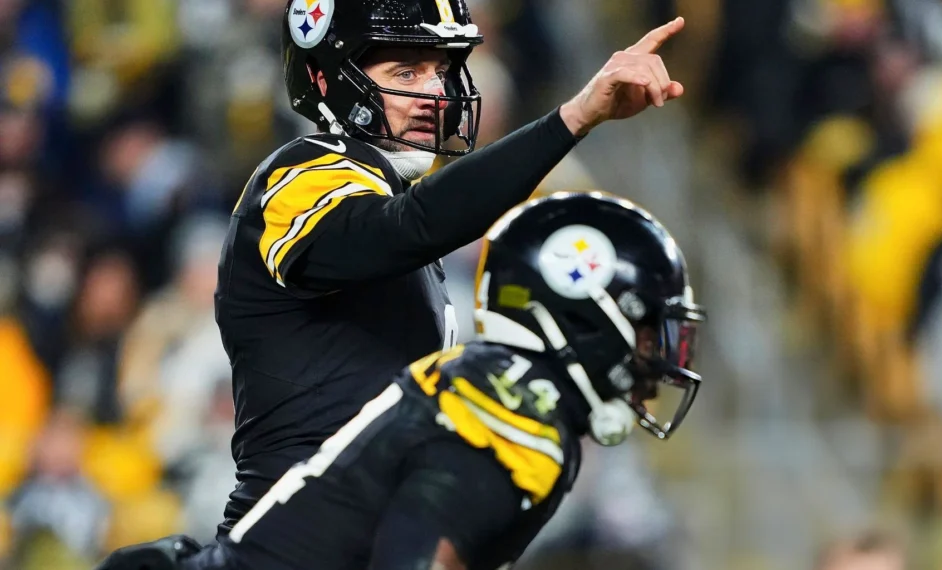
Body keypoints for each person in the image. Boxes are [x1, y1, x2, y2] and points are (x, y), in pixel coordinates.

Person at [213, 0, 687, 539]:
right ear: (325, 78)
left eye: (440, 70)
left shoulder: (395, 207)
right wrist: (573, 117)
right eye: (405, 71)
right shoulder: (298, 176)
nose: (436, 93)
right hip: (290, 542)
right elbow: (409, 226)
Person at [94, 191, 705, 570]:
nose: (663, 361)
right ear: (585, 317)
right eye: (652, 334)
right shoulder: (514, 413)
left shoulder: (493, 383)